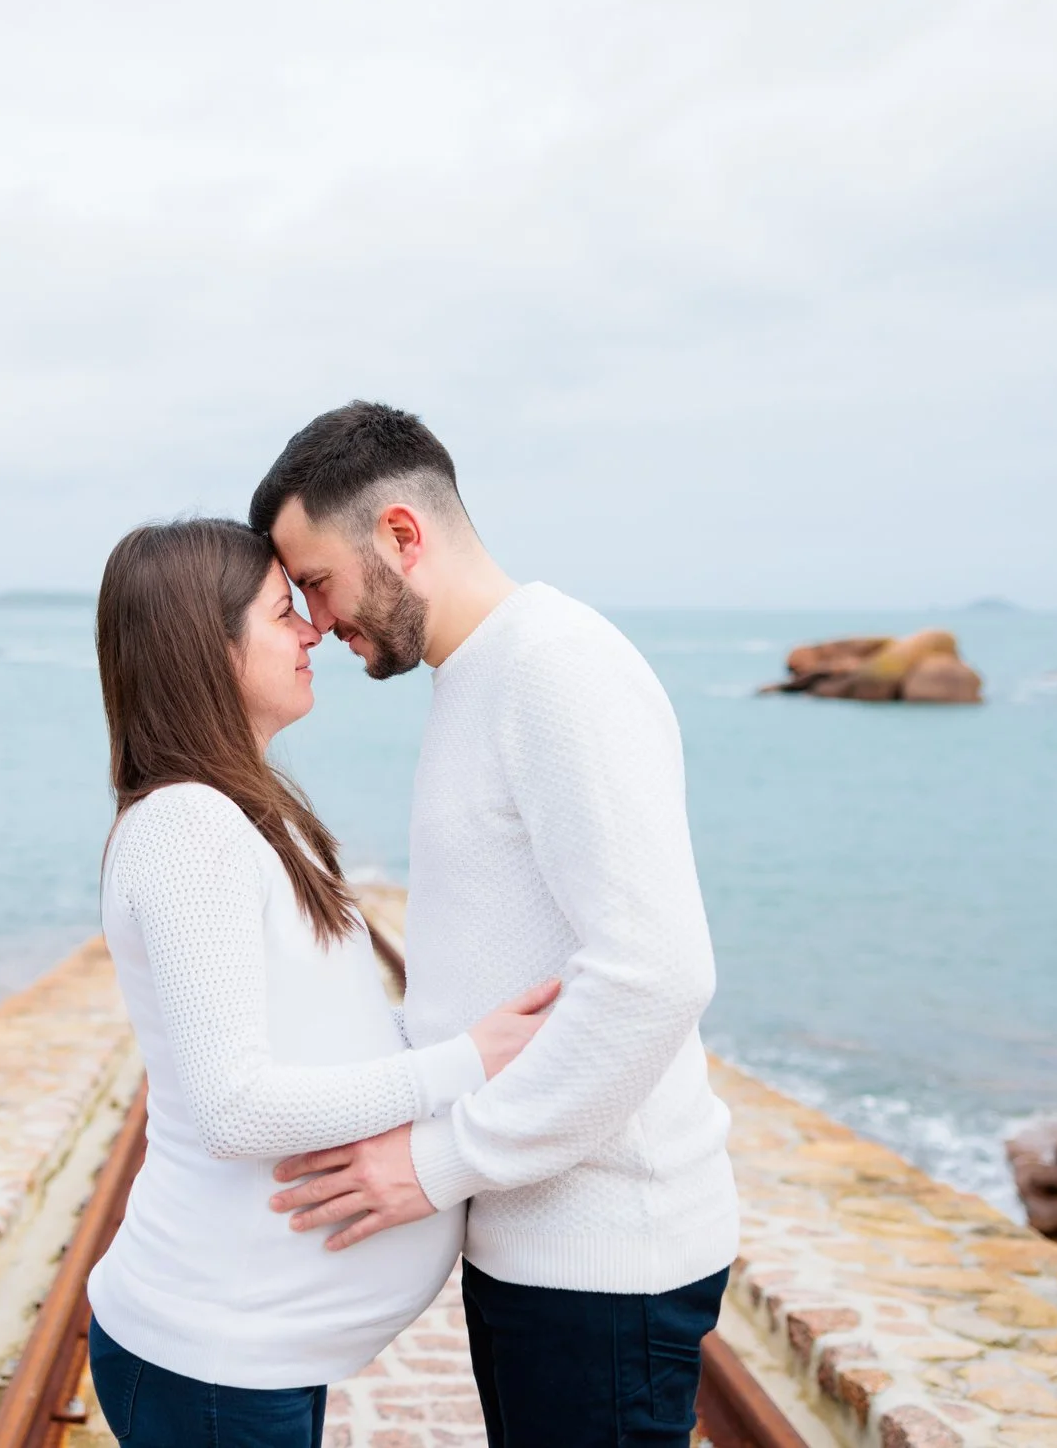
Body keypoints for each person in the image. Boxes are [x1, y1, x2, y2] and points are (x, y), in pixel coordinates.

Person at [249, 402, 738, 1448]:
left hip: (607, 1260)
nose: (320, 624)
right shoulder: (475, 677)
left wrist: (437, 1163)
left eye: (320, 583)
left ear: (401, 533)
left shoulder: (555, 668)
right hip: (534, 1243)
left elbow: (655, 974)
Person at [86, 517, 563, 1447]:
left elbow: (321, 1027)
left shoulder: (252, 814)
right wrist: (464, 1062)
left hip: (255, 1351)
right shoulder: (188, 829)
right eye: (281, 612)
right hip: (213, 1353)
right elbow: (235, 1109)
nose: (312, 631)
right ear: (206, 648)